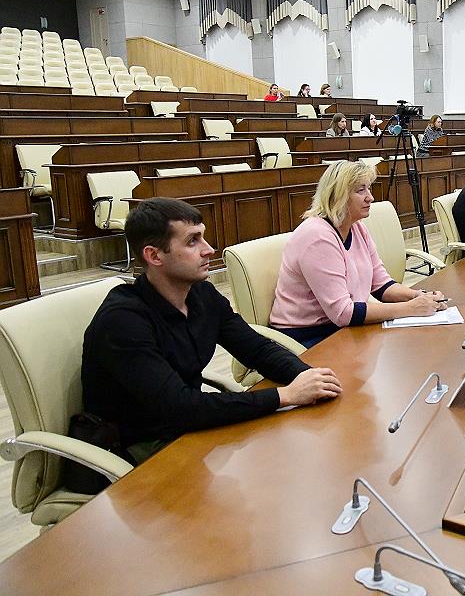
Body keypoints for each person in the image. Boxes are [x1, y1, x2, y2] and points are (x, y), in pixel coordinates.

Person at [80, 198, 342, 463]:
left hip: (187, 426)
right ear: (154, 255)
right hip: (139, 447)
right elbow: (181, 408)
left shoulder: (201, 294)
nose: (209, 249)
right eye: (192, 241)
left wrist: (309, 377)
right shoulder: (122, 321)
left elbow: (258, 349)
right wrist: (285, 395)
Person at [269, 161, 445, 348]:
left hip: (339, 327)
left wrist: (419, 296)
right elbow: (343, 313)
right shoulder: (317, 236)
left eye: (368, 188)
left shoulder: (357, 227)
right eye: (361, 190)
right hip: (306, 337)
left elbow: (381, 285)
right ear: (338, 196)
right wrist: (409, 308)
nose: (370, 197)